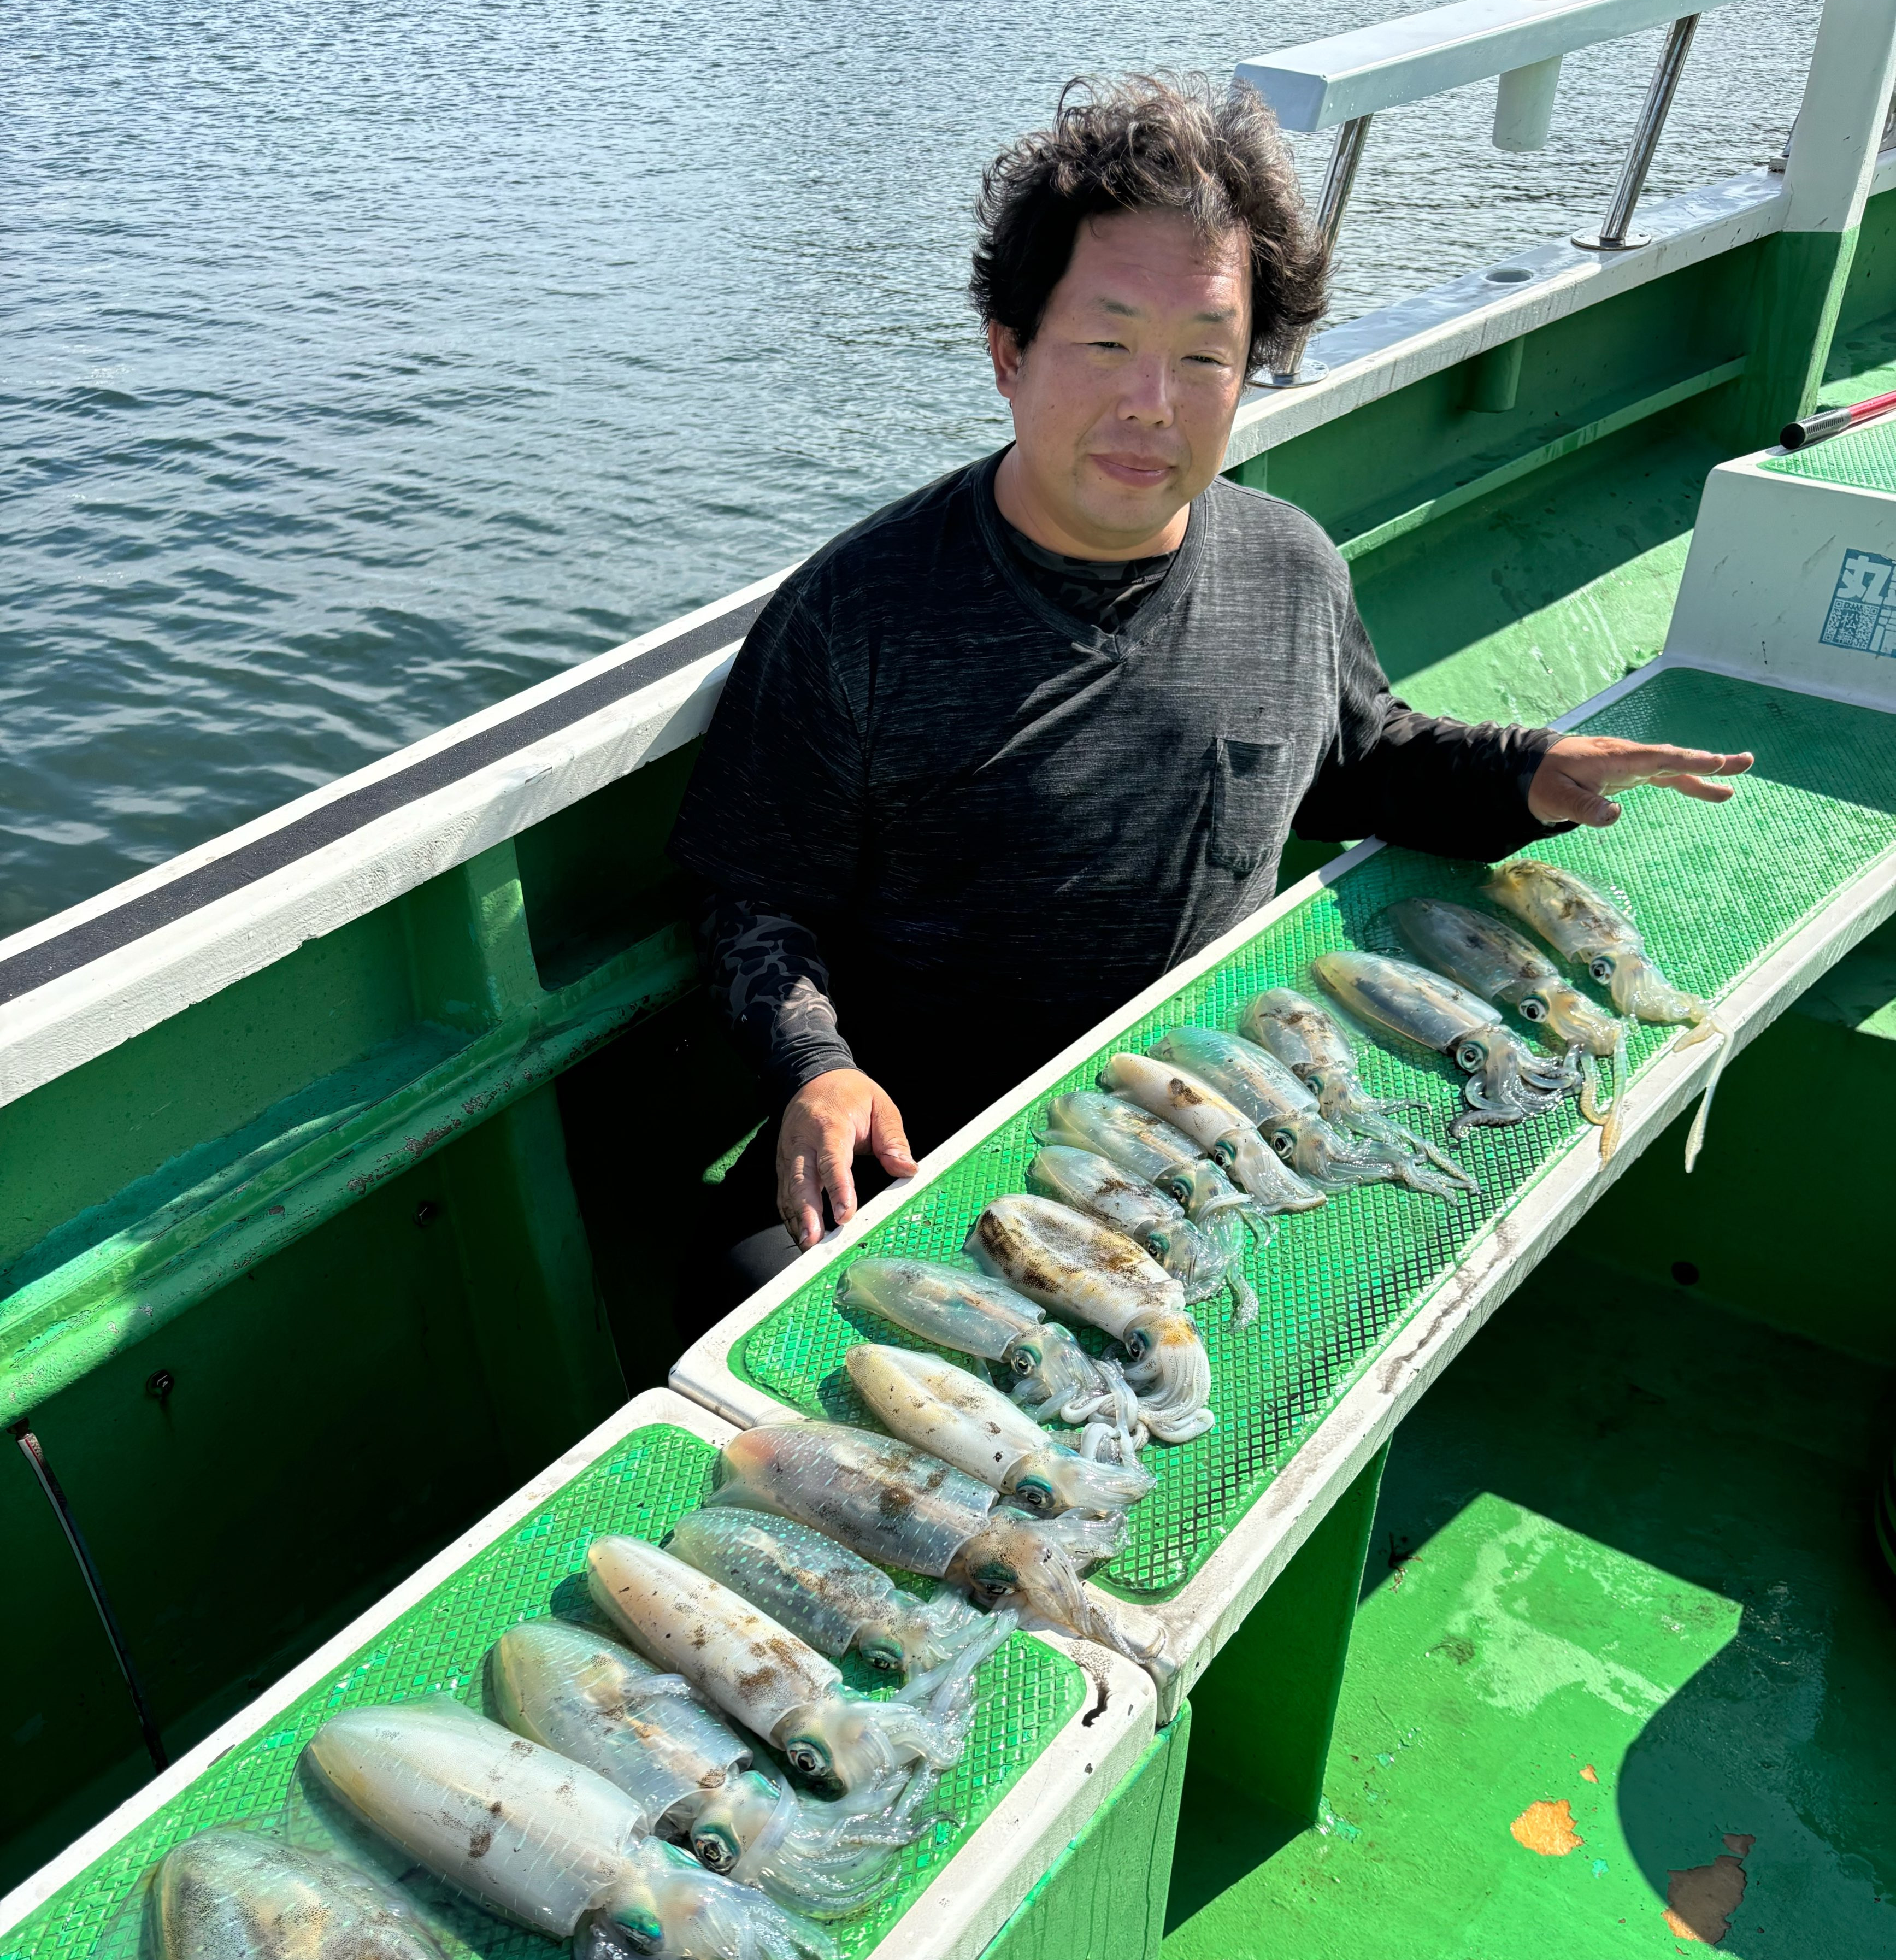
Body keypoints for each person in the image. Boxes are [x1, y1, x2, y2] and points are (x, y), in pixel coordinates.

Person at [669, 74, 1750, 1310]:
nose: (1151, 403)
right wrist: (819, 1067)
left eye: (1203, 356)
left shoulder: (1289, 566)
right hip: (942, 1157)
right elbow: (748, 889)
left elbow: (1358, 759)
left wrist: (1523, 771)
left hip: (1207, 1112)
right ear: (1009, 354)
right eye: (1108, 343)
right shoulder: (861, 614)